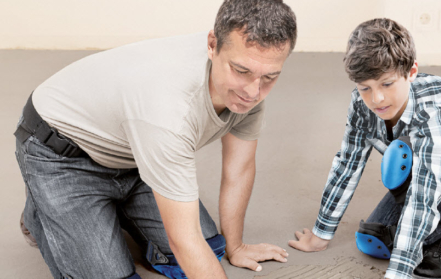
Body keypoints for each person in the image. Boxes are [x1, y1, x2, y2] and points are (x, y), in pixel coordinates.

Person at [14, 0, 297, 278]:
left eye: (270, 76)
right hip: (61, 155)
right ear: (212, 45)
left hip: (134, 155)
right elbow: (183, 241)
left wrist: (236, 247)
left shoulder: (251, 80)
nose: (253, 91)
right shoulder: (168, 108)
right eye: (241, 71)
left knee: (211, 250)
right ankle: (40, 213)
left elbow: (240, 169)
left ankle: (109, 210)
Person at [288, 18, 441, 279]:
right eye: (365, 88)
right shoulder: (363, 104)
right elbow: (348, 164)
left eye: (387, 84)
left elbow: (424, 196)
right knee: (374, 239)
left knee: (407, 156)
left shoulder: (433, 113)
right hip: (437, 161)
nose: (377, 99)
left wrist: (398, 274)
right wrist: (321, 234)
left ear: (411, 72)